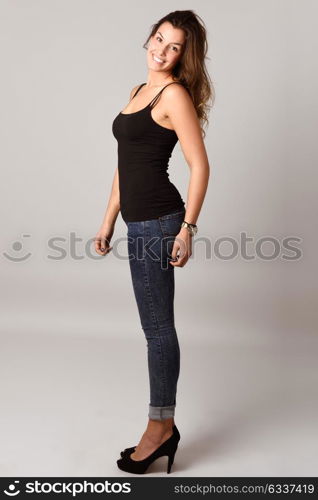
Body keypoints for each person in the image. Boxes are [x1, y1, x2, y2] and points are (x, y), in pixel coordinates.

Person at [95, 10, 213, 474]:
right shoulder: (137, 93)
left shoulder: (173, 94)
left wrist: (188, 228)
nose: (161, 51)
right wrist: (107, 220)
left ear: (184, 56)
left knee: (158, 330)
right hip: (136, 222)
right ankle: (162, 426)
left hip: (159, 224)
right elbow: (126, 167)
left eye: (174, 47)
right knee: (155, 328)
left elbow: (199, 165)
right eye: (159, 39)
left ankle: (160, 428)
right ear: (149, 38)